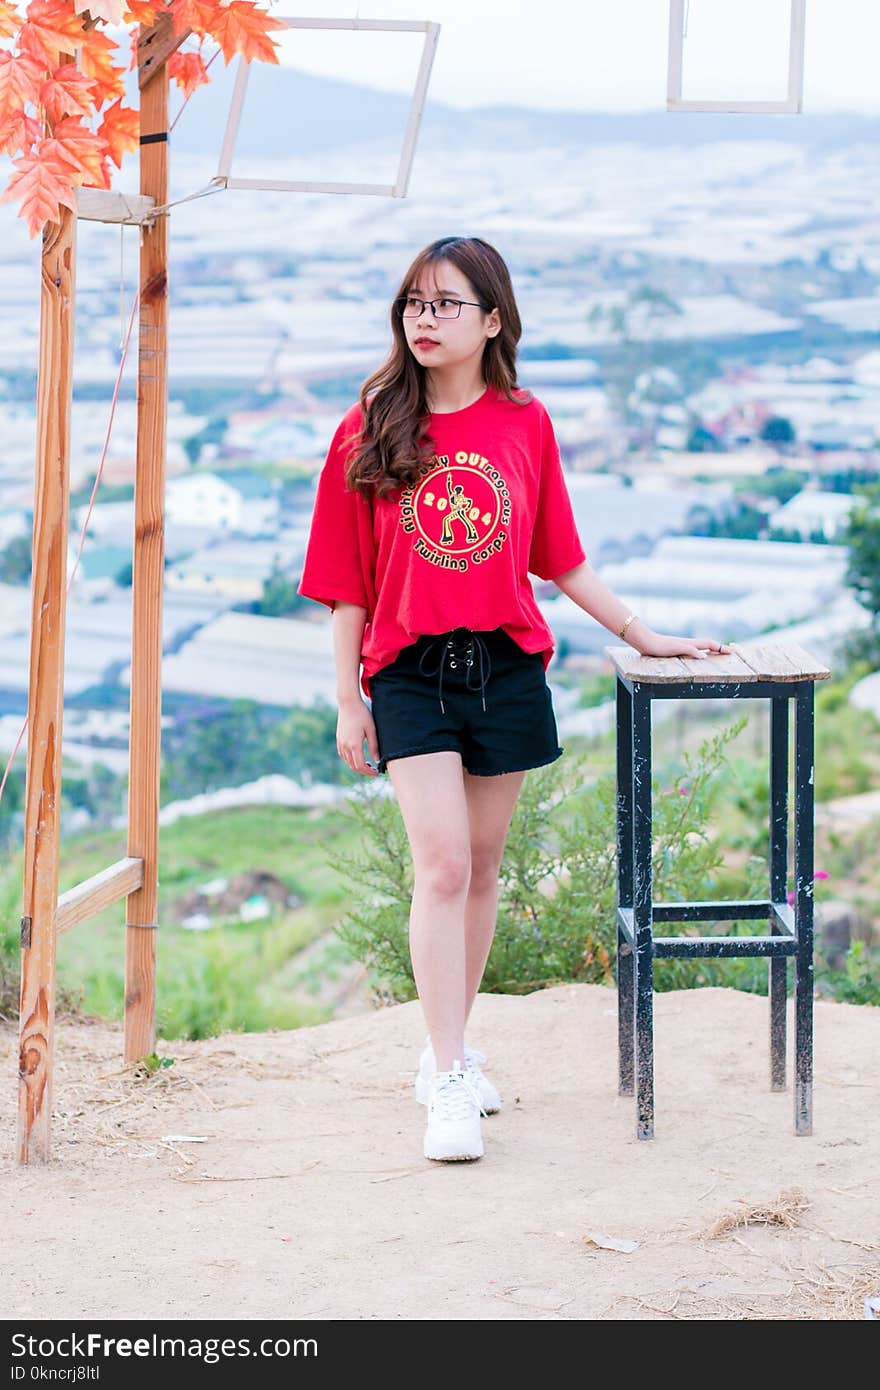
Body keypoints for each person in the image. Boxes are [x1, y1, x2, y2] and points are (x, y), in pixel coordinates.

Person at [297, 235, 731, 1164]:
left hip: (505, 669)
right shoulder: (369, 424)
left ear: (492, 320)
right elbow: (346, 583)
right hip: (409, 672)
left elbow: (559, 553)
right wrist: (348, 698)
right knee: (444, 865)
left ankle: (448, 1047)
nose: (424, 318)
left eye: (446, 304)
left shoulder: (524, 423)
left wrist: (640, 633)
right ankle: (449, 1078)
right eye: (413, 302)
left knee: (485, 868)